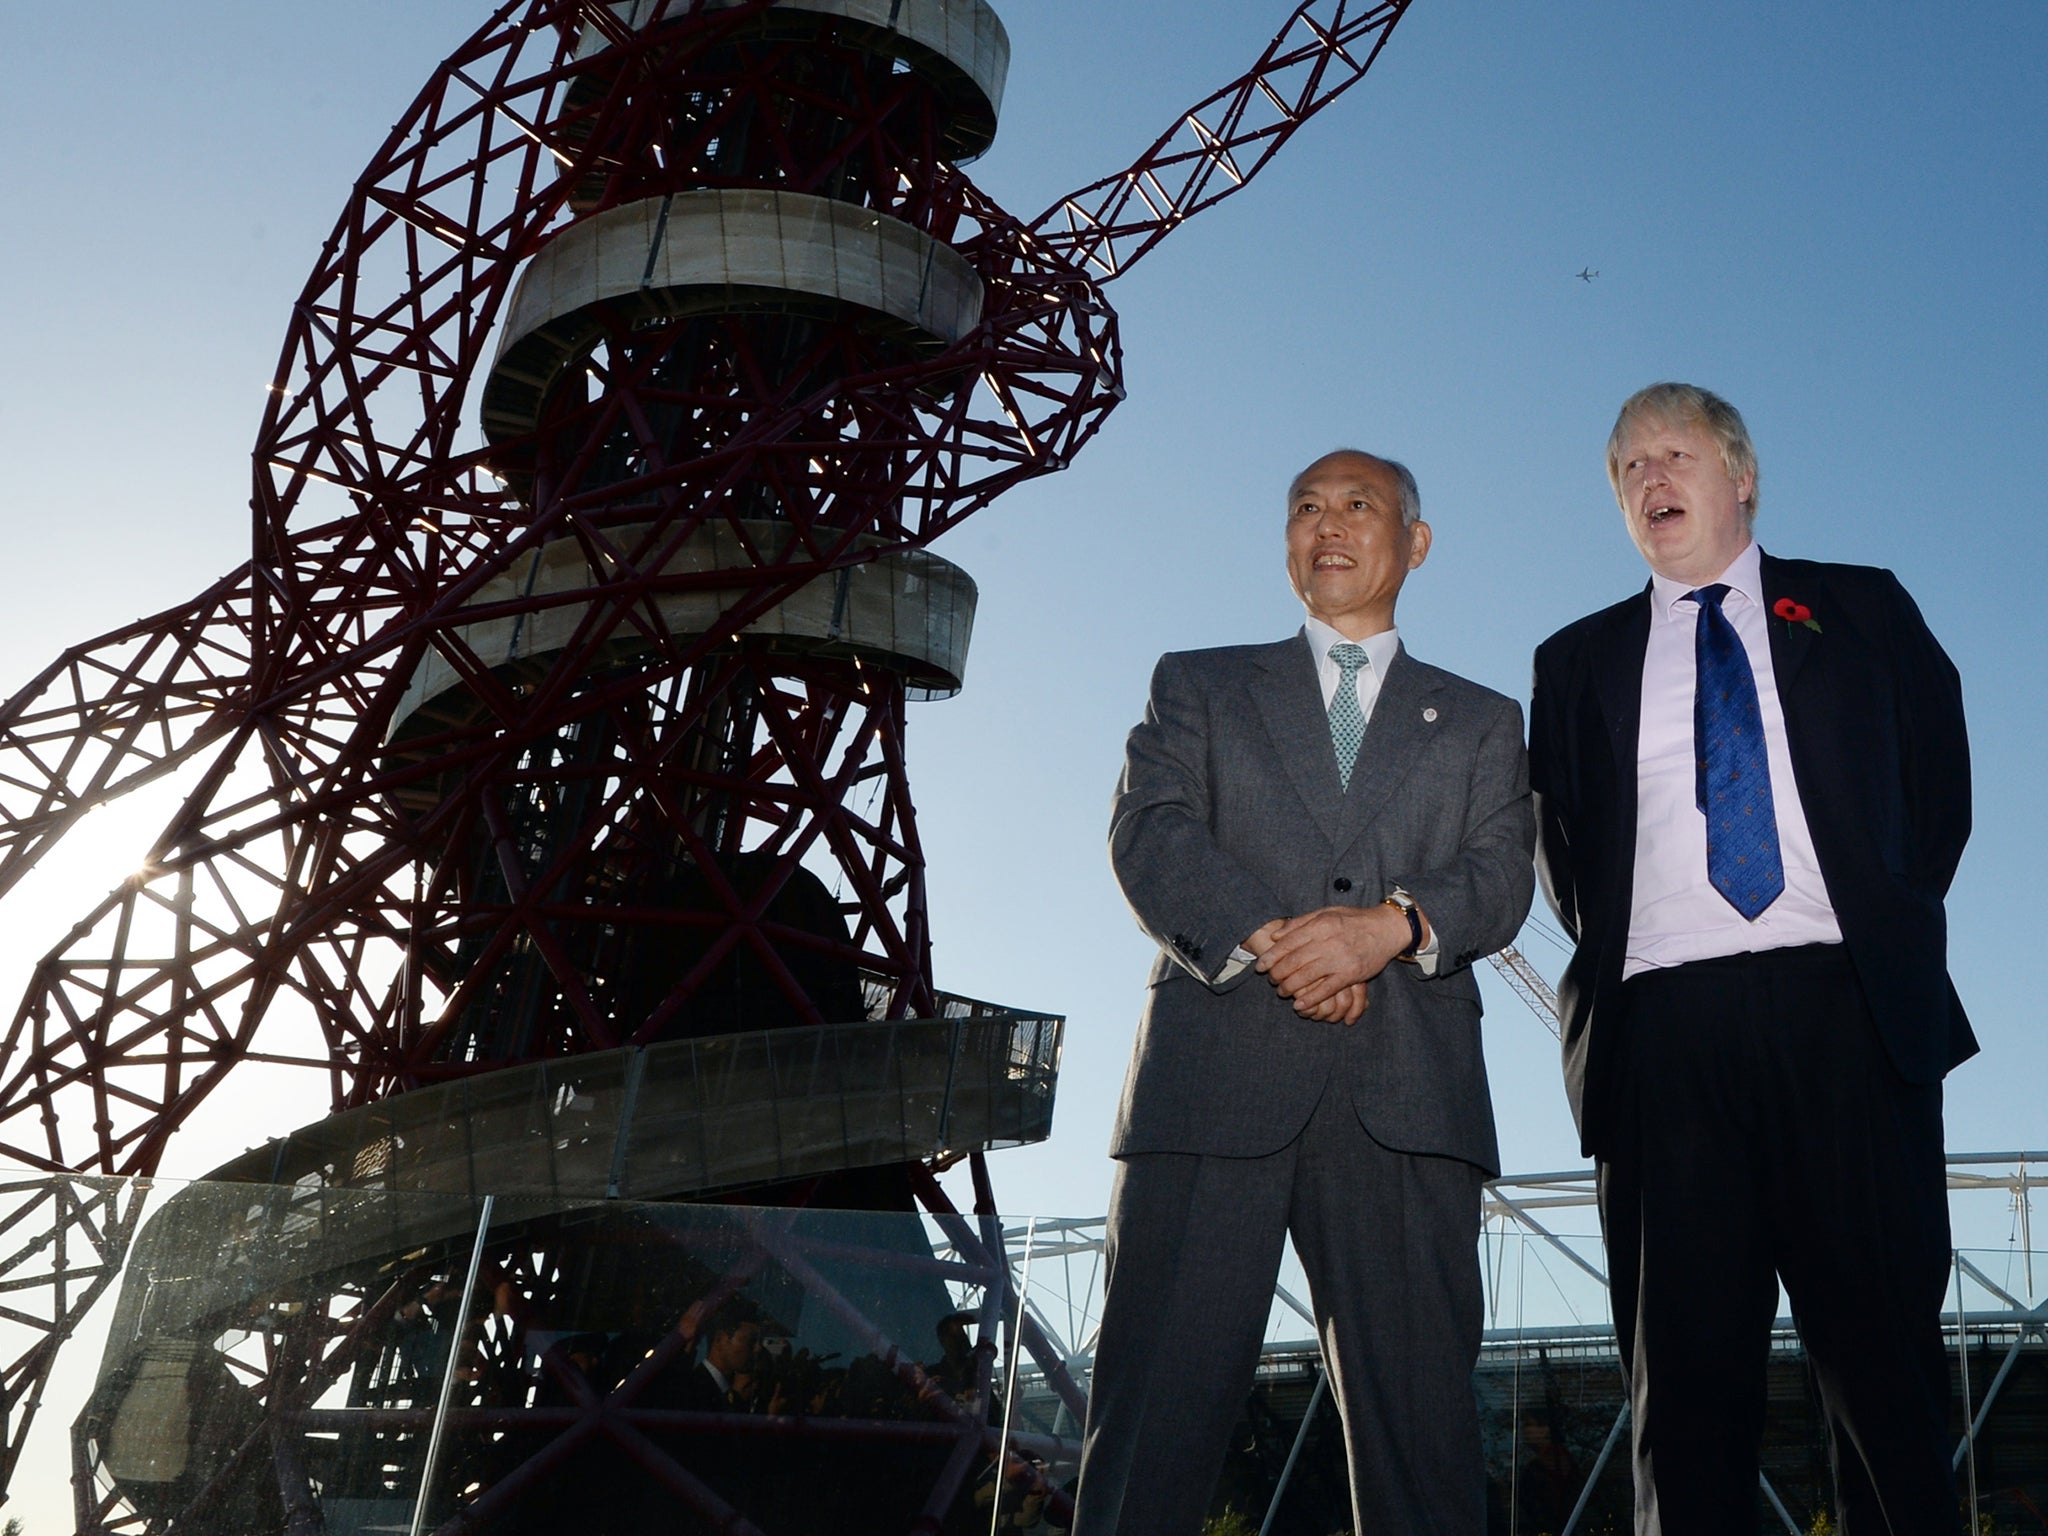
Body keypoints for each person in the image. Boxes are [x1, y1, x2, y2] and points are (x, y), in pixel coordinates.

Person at [1529, 383, 1973, 1533]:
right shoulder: (1573, 661)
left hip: (1847, 1022)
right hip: (1662, 1045)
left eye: (1672, 453)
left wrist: (1872, 923)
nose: (1648, 479)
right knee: (1681, 1400)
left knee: (1887, 1386)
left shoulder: (1861, 608)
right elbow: (1564, 857)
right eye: (1625, 467)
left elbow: (1933, 801)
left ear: (1741, 478)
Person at [1072, 450, 1535, 1535]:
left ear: (1413, 544)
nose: (1326, 524)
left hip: (1406, 1104)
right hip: (1208, 1090)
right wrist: (1278, 945)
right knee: (1147, 1432)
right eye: (1303, 509)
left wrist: (1387, 930)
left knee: (1422, 1450)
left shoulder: (1481, 719)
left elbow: (1502, 872)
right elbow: (1150, 828)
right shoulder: (1194, 681)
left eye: (1356, 504)